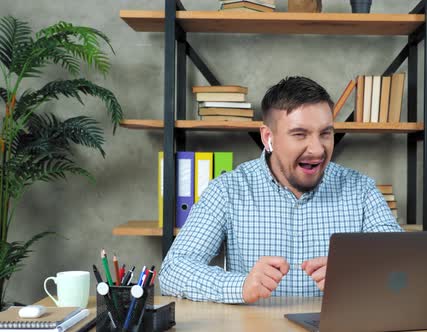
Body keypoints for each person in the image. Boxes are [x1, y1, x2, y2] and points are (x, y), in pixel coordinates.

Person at [159, 76, 403, 304]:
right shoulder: (228, 190)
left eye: (325, 133)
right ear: (269, 138)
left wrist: (359, 274)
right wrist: (240, 286)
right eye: (300, 134)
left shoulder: (361, 190)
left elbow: (404, 266)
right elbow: (173, 270)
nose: (317, 149)